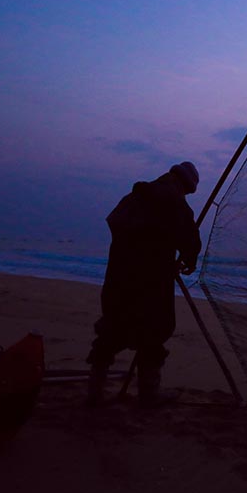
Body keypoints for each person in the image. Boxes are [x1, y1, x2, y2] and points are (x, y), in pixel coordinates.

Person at [86, 162, 202, 407]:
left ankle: (94, 391)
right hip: (152, 283)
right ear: (185, 185)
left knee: (112, 328)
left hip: (118, 276)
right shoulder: (175, 203)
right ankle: (148, 395)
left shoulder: (136, 196)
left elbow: (115, 222)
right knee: (153, 333)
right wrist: (185, 258)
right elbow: (190, 241)